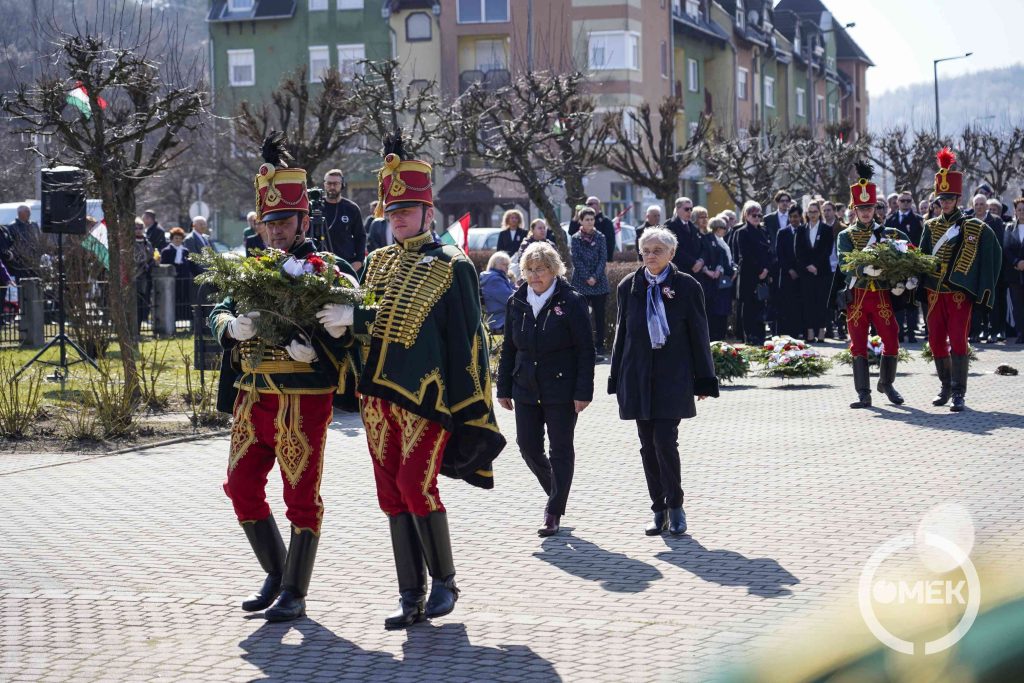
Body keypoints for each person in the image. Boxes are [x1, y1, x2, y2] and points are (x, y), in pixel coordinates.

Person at [321, 132, 505, 630]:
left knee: (414, 485)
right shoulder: (377, 262)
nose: (397, 218)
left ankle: (444, 581)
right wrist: (343, 336)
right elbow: (370, 326)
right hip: (376, 398)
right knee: (390, 494)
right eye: (391, 211)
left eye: (407, 210)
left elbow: (468, 341)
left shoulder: (454, 266)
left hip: (427, 399)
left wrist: (471, 408)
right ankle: (410, 595)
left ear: (428, 212)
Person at [209, 134, 359, 623]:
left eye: (284, 222)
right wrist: (229, 328)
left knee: (300, 493)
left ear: (303, 222)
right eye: (268, 222)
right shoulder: (248, 269)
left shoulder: (328, 271)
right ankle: (276, 572)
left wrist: (324, 342)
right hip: (252, 396)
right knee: (239, 485)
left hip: (302, 397)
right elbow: (218, 310)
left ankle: (296, 589)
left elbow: (356, 329)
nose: (274, 231)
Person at [608, 227, 719, 537]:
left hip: (673, 376)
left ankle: (676, 506)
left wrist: (704, 380)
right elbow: (622, 335)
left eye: (658, 250)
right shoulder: (629, 286)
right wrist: (616, 377)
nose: (651, 255)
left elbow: (699, 334)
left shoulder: (686, 286)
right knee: (646, 445)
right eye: (646, 250)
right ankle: (658, 509)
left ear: (672, 253)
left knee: (664, 442)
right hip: (638, 375)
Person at [496, 242, 594, 537]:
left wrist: (583, 391)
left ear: (554, 270)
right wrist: (503, 388)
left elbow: (586, 350)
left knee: (561, 448)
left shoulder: (571, 301)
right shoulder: (517, 301)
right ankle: (557, 491)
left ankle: (553, 511)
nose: (534, 275)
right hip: (525, 385)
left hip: (561, 387)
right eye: (529, 269)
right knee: (528, 446)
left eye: (541, 269)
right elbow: (509, 349)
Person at [919, 148, 1002, 412]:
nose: (945, 203)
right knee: (934, 341)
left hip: (957, 293)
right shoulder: (930, 227)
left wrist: (978, 285)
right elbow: (921, 257)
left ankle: (958, 392)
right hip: (934, 291)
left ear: (957, 198)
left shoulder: (971, 226)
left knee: (957, 340)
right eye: (941, 199)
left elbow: (993, 251)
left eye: (949, 198)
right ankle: (944, 385)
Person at [836, 161, 910, 409]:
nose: (866, 212)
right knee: (857, 344)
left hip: (880, 295)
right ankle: (863, 393)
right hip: (856, 296)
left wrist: (903, 278)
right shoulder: (845, 235)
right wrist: (863, 268)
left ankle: (886, 383)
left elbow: (908, 253)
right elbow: (845, 264)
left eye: (870, 207)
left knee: (892, 338)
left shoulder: (889, 233)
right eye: (861, 208)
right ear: (854, 209)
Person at [570, 207, 610, 359]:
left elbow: (603, 258)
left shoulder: (601, 237)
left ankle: (600, 346)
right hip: (581, 282)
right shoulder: (575, 238)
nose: (590, 222)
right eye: (587, 219)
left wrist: (595, 276)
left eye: (592, 219)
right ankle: (585, 345)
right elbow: (576, 260)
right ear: (580, 221)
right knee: (582, 317)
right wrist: (587, 277)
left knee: (600, 317)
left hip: (599, 282)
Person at [885, 191, 925, 342]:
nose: (905, 203)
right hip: (895, 267)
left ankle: (912, 333)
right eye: (902, 201)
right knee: (897, 299)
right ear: (897, 202)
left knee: (912, 301)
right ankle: (899, 333)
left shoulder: (918, 220)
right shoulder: (890, 219)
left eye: (908, 201)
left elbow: (921, 243)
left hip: (912, 266)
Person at [794, 200, 834, 342]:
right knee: (808, 301)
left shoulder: (826, 229)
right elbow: (798, 251)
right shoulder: (801, 229)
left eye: (815, 212)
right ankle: (810, 331)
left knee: (821, 302)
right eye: (810, 212)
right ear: (807, 213)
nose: (813, 215)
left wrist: (816, 265)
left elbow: (827, 251)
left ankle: (821, 331)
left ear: (820, 213)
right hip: (806, 272)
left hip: (822, 271)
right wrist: (807, 266)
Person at [733, 201, 773, 344]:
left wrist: (766, 269)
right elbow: (745, 254)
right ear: (746, 215)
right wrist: (759, 270)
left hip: (763, 274)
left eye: (759, 215)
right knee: (749, 306)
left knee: (761, 304)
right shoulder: (741, 232)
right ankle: (749, 336)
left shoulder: (763, 231)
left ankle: (760, 335)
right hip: (749, 275)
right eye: (753, 215)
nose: (757, 218)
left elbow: (769, 252)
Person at [319, 168, 365, 271]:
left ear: (342, 185)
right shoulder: (315, 207)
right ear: (324, 184)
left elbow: (360, 236)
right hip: (319, 264)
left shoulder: (351, 208)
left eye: (335, 183)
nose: (332, 187)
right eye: (329, 183)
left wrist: (359, 260)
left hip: (346, 264)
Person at [703, 216, 735, 341]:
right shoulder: (711, 239)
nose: (725, 230)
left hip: (725, 278)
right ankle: (716, 336)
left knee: (723, 309)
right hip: (716, 280)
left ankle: (721, 335)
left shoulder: (721, 240)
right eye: (723, 227)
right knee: (717, 309)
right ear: (716, 228)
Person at [773, 204, 803, 337]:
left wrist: (799, 270)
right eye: (791, 217)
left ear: (800, 217)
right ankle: (785, 333)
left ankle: (798, 331)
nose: (793, 219)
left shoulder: (805, 231)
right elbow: (779, 254)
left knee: (799, 304)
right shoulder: (782, 232)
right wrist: (789, 270)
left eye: (796, 216)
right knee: (785, 305)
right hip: (786, 275)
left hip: (801, 275)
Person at [664, 197, 704, 275]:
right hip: (680, 271)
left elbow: (703, 247)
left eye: (691, 209)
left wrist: (701, 261)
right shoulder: (669, 226)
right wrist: (693, 263)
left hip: (696, 271)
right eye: (686, 209)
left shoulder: (693, 227)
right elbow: (675, 249)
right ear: (677, 209)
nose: (689, 212)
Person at [160, 227, 192, 322]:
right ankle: (173, 319)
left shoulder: (185, 251)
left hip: (184, 280)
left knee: (184, 299)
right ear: (171, 239)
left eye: (179, 238)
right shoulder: (166, 251)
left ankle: (184, 319)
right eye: (176, 238)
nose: (178, 240)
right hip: (172, 280)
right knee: (173, 299)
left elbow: (190, 265)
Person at [479, 252, 515, 334]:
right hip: (501, 321)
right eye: (504, 264)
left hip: (503, 318)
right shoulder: (494, 280)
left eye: (508, 265)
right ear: (494, 264)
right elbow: (510, 299)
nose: (507, 267)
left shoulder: (498, 277)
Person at [1004, 198, 1024, 343]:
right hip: (1015, 272)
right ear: (1015, 212)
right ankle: (1021, 333)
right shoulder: (1009, 227)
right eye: (1019, 209)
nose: (1022, 212)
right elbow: (1006, 248)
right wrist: (1016, 262)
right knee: (1017, 305)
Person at [133, 218, 154, 330]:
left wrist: (154, 261)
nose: (138, 230)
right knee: (133, 305)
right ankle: (134, 330)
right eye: (135, 228)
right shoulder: (129, 242)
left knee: (143, 305)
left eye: (140, 228)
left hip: (145, 278)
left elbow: (151, 257)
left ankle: (139, 329)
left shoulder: (147, 242)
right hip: (132, 277)